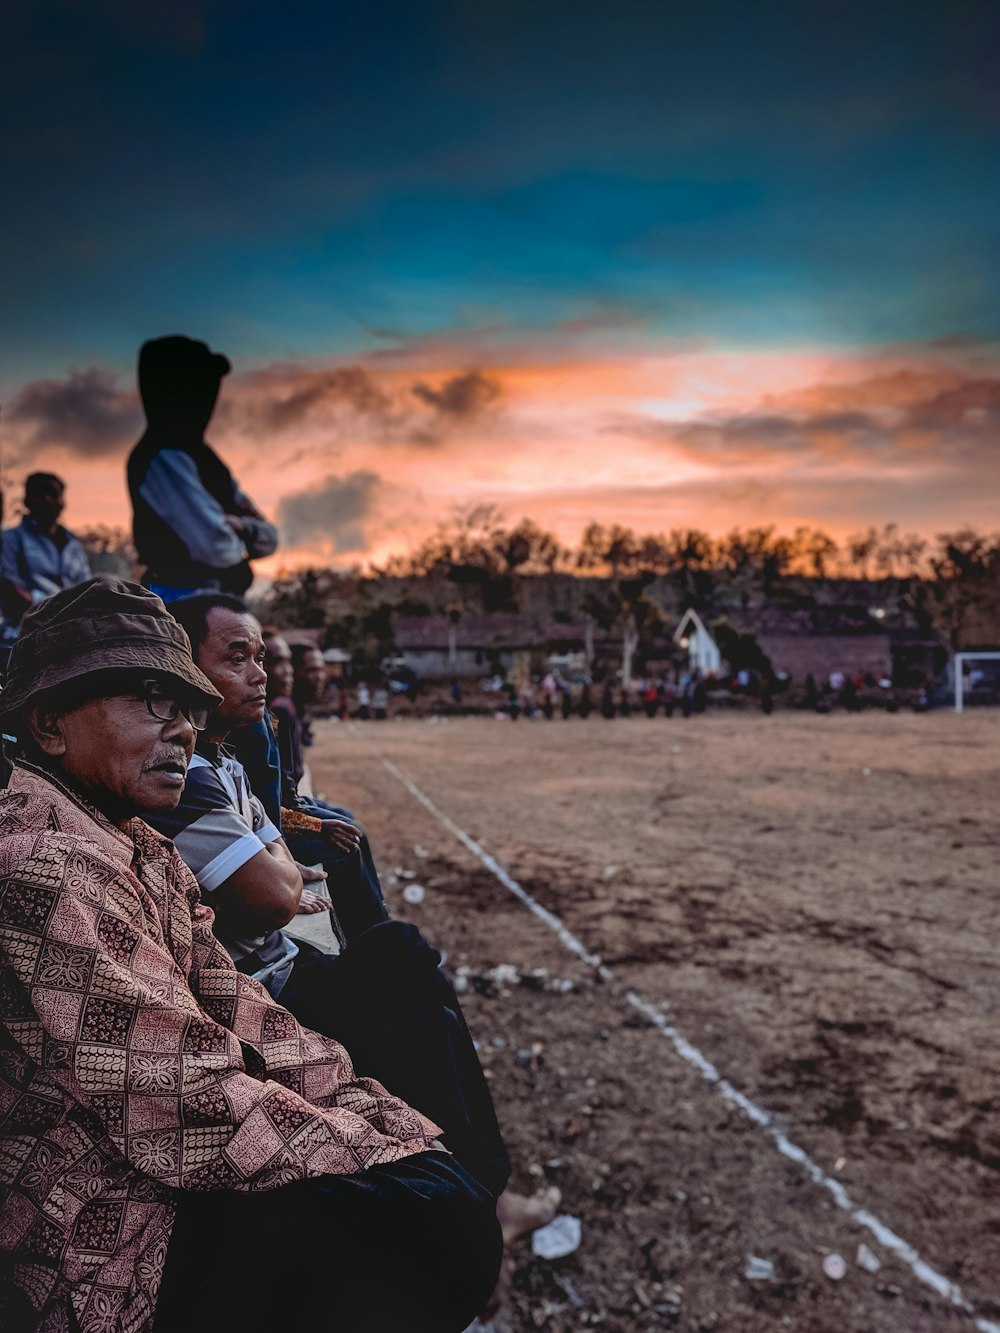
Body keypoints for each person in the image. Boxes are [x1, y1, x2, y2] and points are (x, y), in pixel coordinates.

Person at [0, 579, 501, 1333]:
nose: (183, 730)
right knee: (436, 1227)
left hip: (161, 1164)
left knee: (440, 1194)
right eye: (151, 700)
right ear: (48, 723)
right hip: (106, 1233)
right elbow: (176, 1099)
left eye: (190, 708)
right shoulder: (46, 863)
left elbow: (242, 1007)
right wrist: (370, 1145)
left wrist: (388, 1120)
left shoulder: (135, 840)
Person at [127, 335, 278, 602]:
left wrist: (241, 526)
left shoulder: (206, 459)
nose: (208, 398)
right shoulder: (161, 456)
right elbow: (214, 545)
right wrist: (242, 540)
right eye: (198, 384)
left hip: (219, 602)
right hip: (178, 603)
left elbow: (270, 537)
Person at [0, 472, 91, 627]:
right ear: (27, 501)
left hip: (74, 626)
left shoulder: (73, 544)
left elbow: (88, 588)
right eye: (40, 494)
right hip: (26, 629)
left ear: (63, 502)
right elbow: (12, 592)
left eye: (53, 494)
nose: (47, 500)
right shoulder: (10, 539)